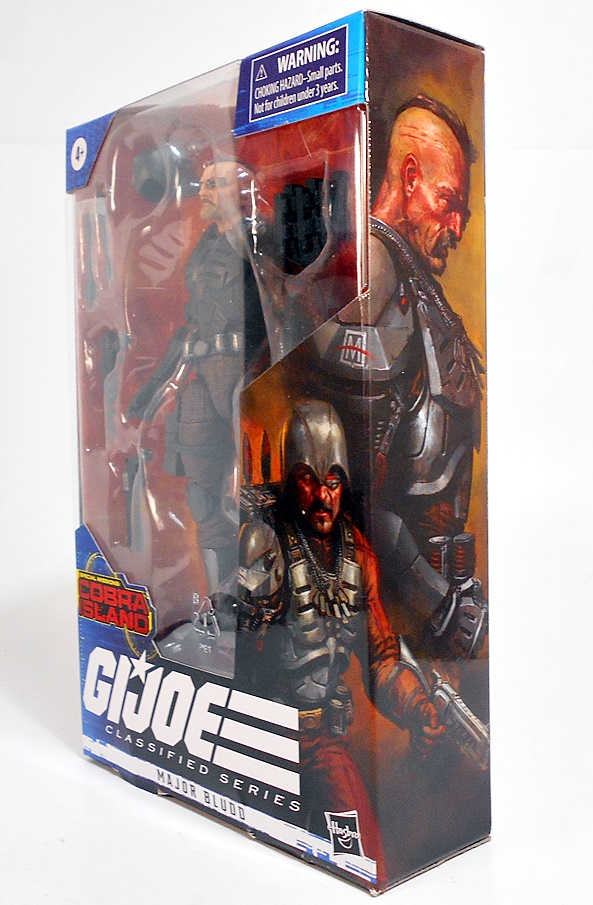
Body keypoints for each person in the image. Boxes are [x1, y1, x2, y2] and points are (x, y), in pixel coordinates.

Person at [233, 400, 445, 879]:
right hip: (262, 733)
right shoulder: (267, 542)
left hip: (322, 741)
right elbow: (241, 655)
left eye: (332, 480)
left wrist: (418, 707)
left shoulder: (359, 557)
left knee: (364, 862)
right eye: (307, 479)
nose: (322, 496)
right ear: (290, 479)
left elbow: (381, 657)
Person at [311, 95, 484, 558]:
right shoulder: (379, 264)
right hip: (401, 567)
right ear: (410, 178)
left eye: (463, 214)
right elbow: (358, 476)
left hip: (433, 561)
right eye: (447, 201)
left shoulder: (408, 274)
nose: (457, 229)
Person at [127, 159, 268, 593]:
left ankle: (266, 589)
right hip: (205, 375)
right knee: (203, 495)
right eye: (203, 183)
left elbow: (282, 304)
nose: (202, 192)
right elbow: (191, 327)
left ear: (239, 192)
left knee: (258, 491)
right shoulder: (204, 248)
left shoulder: (258, 243)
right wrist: (152, 388)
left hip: (248, 373)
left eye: (213, 185)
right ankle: (223, 595)